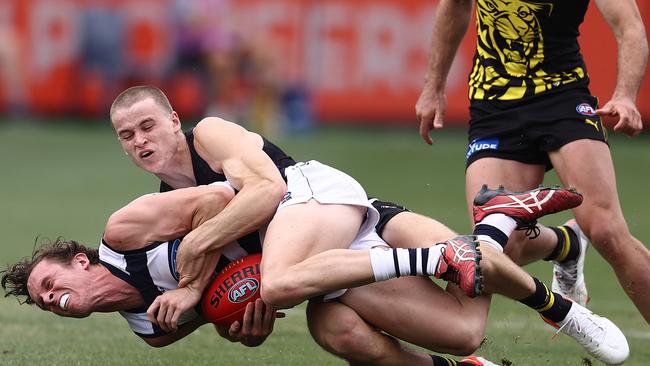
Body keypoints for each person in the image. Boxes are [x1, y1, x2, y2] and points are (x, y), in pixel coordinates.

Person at [1, 182, 629, 365]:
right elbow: (243, 306)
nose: (55, 301)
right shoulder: (149, 328)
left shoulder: (121, 235)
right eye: (44, 303)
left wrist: (191, 280)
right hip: (331, 275)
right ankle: (511, 226)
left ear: (80, 260)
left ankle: (559, 308)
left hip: (321, 213)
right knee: (456, 325)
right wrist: (243, 329)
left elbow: (222, 199)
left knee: (475, 269)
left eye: (52, 284)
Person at [415, 0, 650, 322]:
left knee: (606, 231)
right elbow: (455, 6)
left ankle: (577, 242)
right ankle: (565, 244)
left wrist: (625, 94)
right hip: (494, 107)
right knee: (502, 249)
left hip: (563, 99)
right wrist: (433, 87)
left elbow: (630, 25)